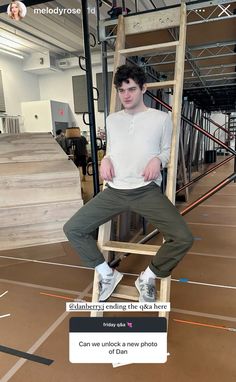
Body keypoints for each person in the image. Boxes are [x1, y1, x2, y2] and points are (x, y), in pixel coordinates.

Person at [63, 64, 193, 302]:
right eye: (122, 90)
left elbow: (167, 151)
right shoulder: (113, 120)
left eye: (131, 89)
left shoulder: (162, 119)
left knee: (183, 237)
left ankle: (148, 277)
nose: (126, 95)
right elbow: (113, 149)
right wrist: (105, 160)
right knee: (73, 228)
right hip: (114, 191)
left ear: (143, 88)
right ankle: (107, 274)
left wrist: (158, 160)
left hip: (146, 191)